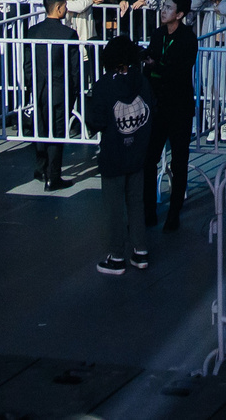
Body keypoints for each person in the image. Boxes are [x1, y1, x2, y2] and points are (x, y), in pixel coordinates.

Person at [84, 34, 159, 274]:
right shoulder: (143, 81)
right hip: (139, 152)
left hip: (114, 153)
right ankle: (140, 250)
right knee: (137, 202)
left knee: (114, 207)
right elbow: (152, 111)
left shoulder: (104, 84)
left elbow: (96, 121)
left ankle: (116, 256)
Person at [145, 0, 200, 230]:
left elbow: (177, 69)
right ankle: (148, 210)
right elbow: (150, 61)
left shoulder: (188, 38)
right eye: (163, 6)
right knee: (149, 159)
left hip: (179, 106)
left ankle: (174, 211)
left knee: (179, 160)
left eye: (168, 7)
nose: (163, 10)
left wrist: (157, 66)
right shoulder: (158, 34)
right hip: (157, 106)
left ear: (180, 14)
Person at [25, 0, 80, 189]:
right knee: (56, 133)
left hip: (39, 89)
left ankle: (40, 169)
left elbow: (28, 65)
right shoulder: (68, 34)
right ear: (58, 8)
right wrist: (74, 92)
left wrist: (31, 86)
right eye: (65, 6)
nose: (66, 10)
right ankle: (53, 177)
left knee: (40, 130)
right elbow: (74, 70)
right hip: (60, 90)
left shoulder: (33, 32)